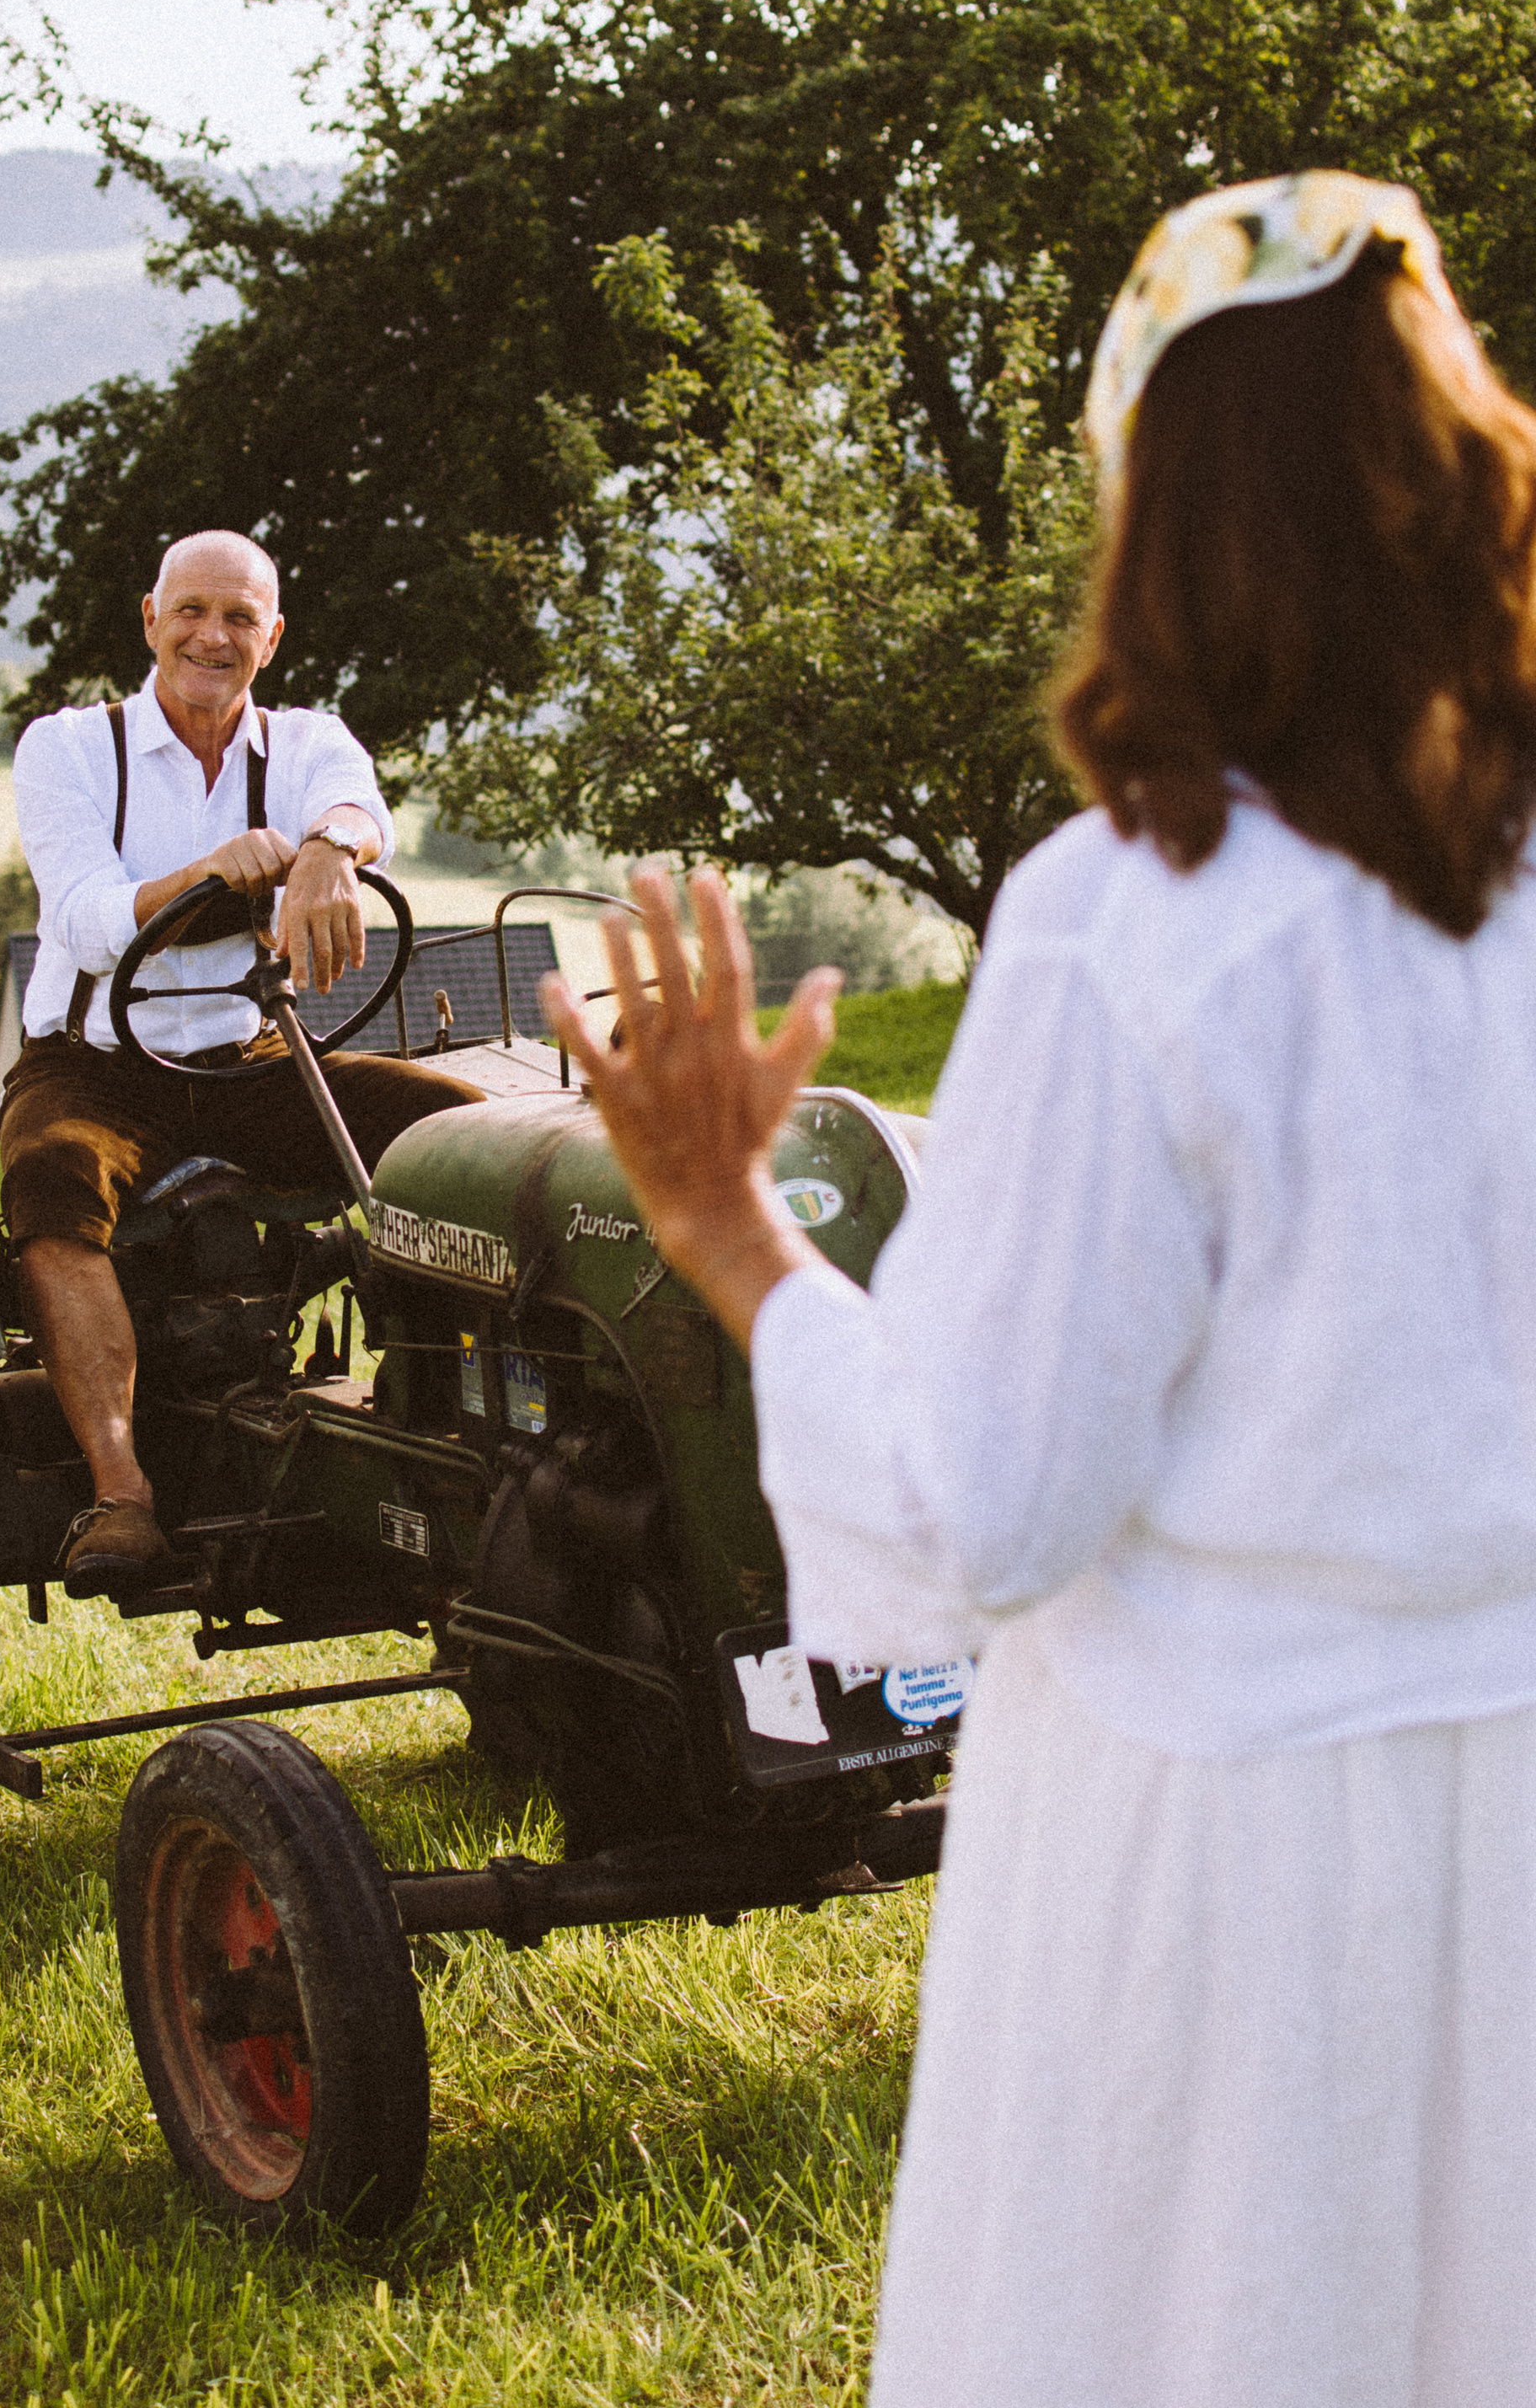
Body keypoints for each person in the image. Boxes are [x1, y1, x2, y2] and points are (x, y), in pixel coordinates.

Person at [541, 174, 1536, 2407]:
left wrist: (728, 1230)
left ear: (1160, 511)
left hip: (1242, 1870)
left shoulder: (1139, 923)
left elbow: (990, 1507)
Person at [0, 527, 479, 1591]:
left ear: (271, 636)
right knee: (52, 1174)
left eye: (238, 618)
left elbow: (362, 807)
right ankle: (122, 1492)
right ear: (151, 619)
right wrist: (208, 878)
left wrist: (325, 850)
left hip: (249, 1055)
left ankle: (453, 1421)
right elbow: (82, 922)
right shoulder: (71, 747)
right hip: (95, 1063)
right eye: (192, 611)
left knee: (457, 1134)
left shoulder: (301, 742)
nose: (212, 636)